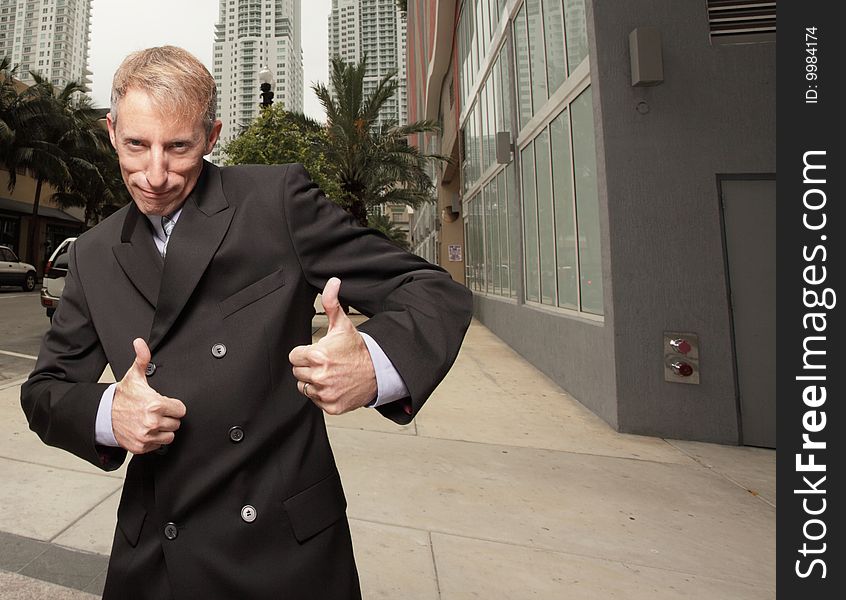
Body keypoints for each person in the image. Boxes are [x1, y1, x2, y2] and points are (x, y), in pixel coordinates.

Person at [20, 46, 471, 599]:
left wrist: (375, 364)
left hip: (282, 550)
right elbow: (43, 391)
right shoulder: (92, 254)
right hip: (157, 555)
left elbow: (432, 291)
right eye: (136, 145)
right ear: (111, 131)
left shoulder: (276, 201)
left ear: (212, 136)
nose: (155, 174)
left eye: (178, 146)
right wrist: (109, 413)